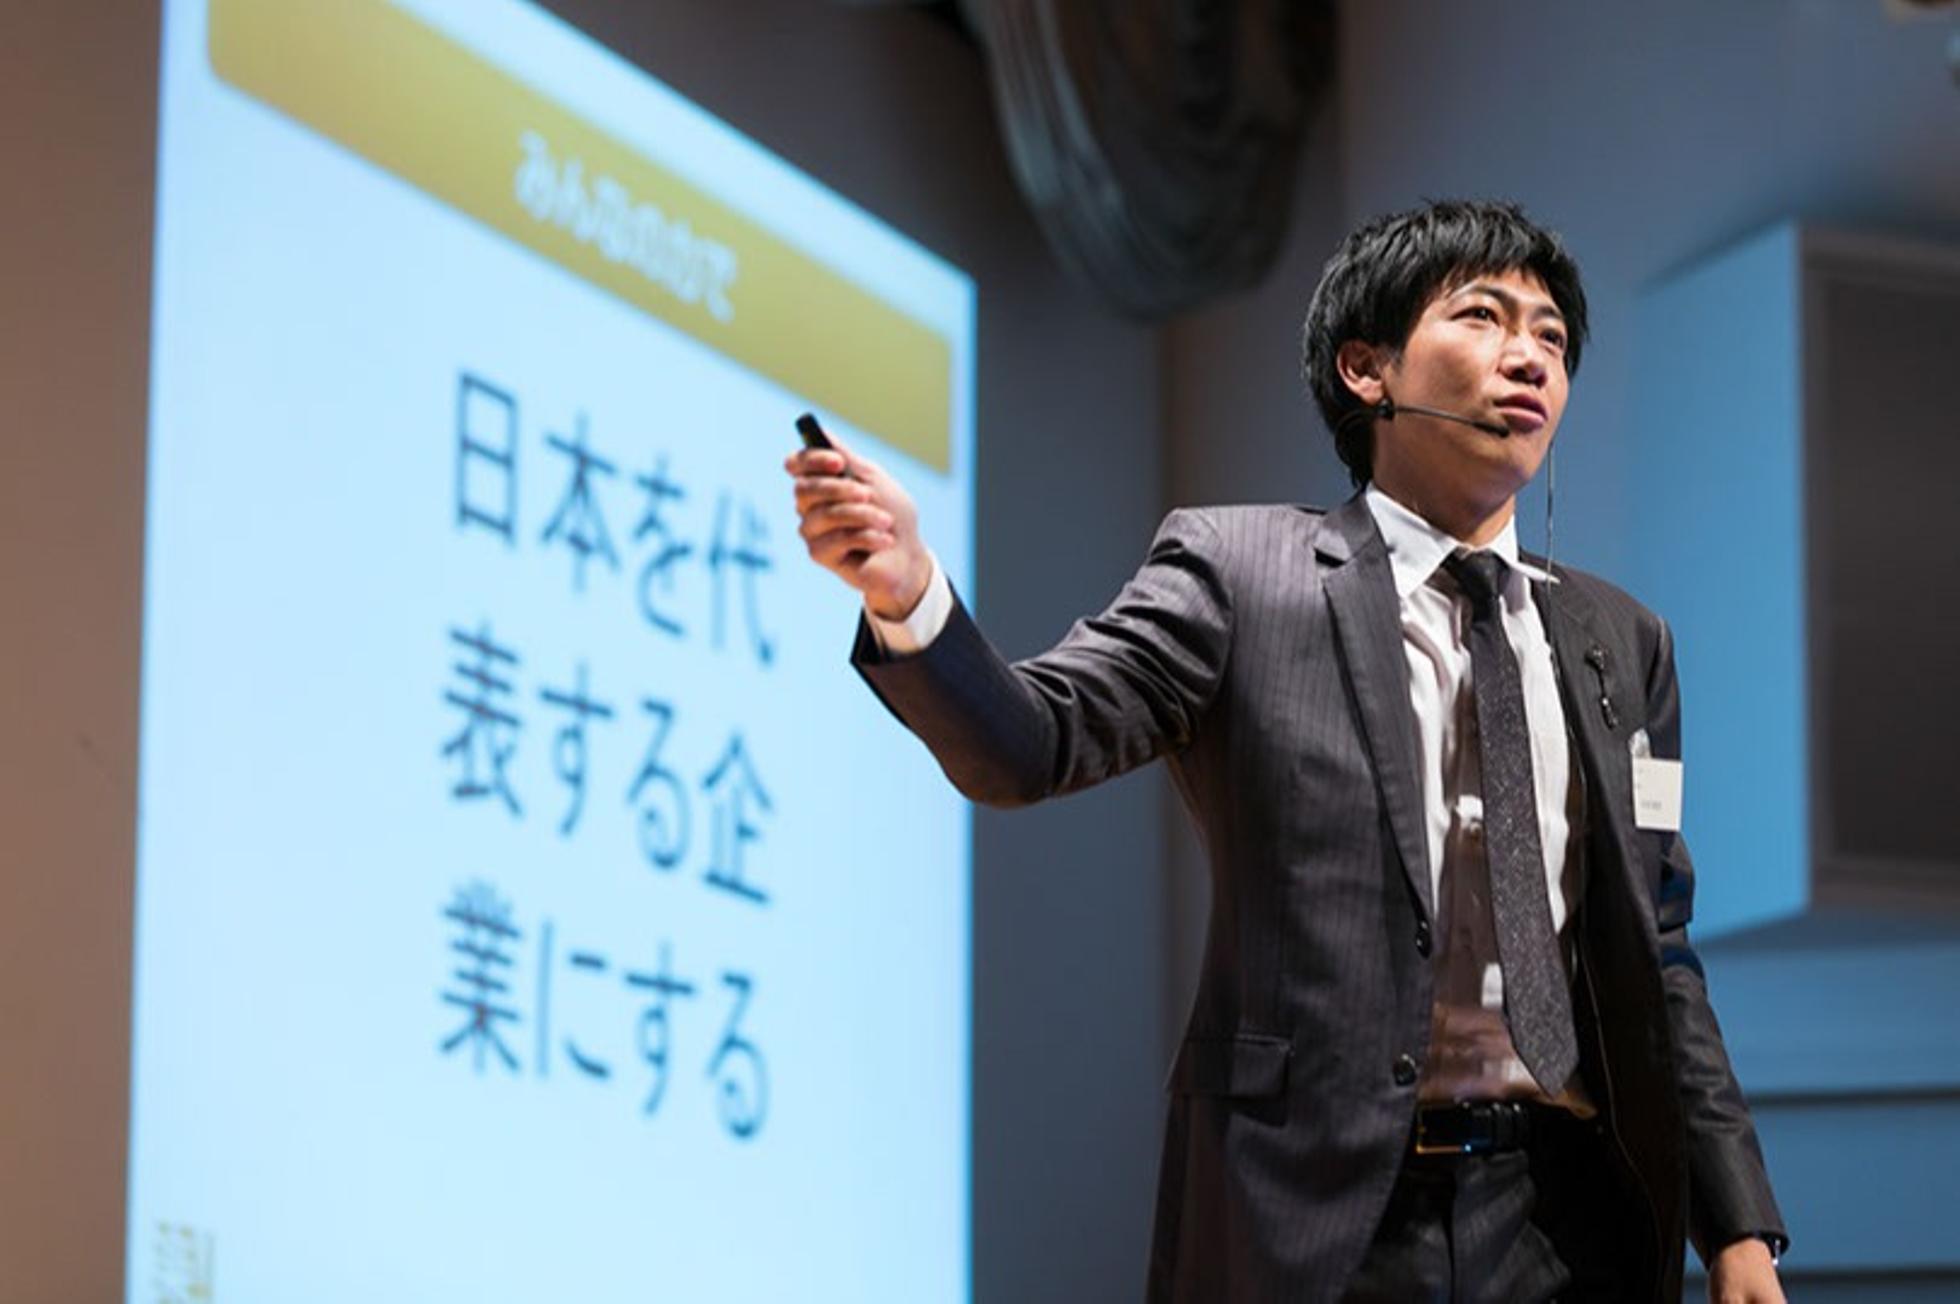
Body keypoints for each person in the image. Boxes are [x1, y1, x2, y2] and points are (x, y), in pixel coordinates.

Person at [783, 200, 1786, 1303]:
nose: (1529, 357)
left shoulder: (1622, 642)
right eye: (1483, 317)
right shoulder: (1241, 573)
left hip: (1566, 1222)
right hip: (1314, 1220)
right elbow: (1029, 742)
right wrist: (909, 595)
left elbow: (1659, 952)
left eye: (1550, 336)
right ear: (1367, 369)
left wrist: (1735, 1225)